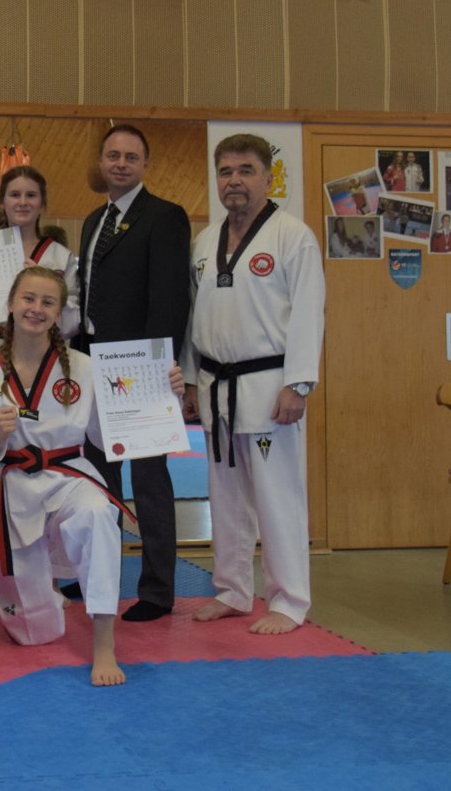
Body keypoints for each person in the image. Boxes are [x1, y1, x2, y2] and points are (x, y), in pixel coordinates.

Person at [0, 266, 186, 685]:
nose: (36, 308)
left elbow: (109, 434)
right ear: (11, 304)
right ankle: (40, 593)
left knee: (99, 514)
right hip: (12, 486)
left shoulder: (85, 368)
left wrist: (162, 394)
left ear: (60, 313)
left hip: (68, 475)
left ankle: (104, 643)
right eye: (28, 299)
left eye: (48, 302)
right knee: (35, 634)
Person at [184, 133, 325, 635]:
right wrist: (189, 380)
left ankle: (289, 600)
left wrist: (299, 383)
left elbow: (309, 312)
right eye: (226, 171)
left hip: (269, 385)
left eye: (246, 170)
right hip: (215, 382)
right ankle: (232, 589)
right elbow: (194, 317)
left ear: (268, 177)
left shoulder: (292, 237)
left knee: (276, 496)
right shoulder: (205, 242)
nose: (234, 181)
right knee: (224, 496)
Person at [76, 123, 192, 622]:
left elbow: (170, 299)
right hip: (93, 366)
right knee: (97, 481)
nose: (120, 164)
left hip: (141, 370)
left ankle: (157, 590)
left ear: (145, 164)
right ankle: (96, 578)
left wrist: (161, 366)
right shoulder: (92, 221)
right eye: (112, 156)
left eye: (130, 157)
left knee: (148, 483)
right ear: (101, 163)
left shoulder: (164, 217)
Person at [0, 165, 81, 612]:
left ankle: (50, 576)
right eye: (14, 194)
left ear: (42, 203)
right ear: (1, 201)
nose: (22, 202)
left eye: (30, 195)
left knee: (45, 465)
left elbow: (73, 317)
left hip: (45, 360)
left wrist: (37, 289)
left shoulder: (60, 256)